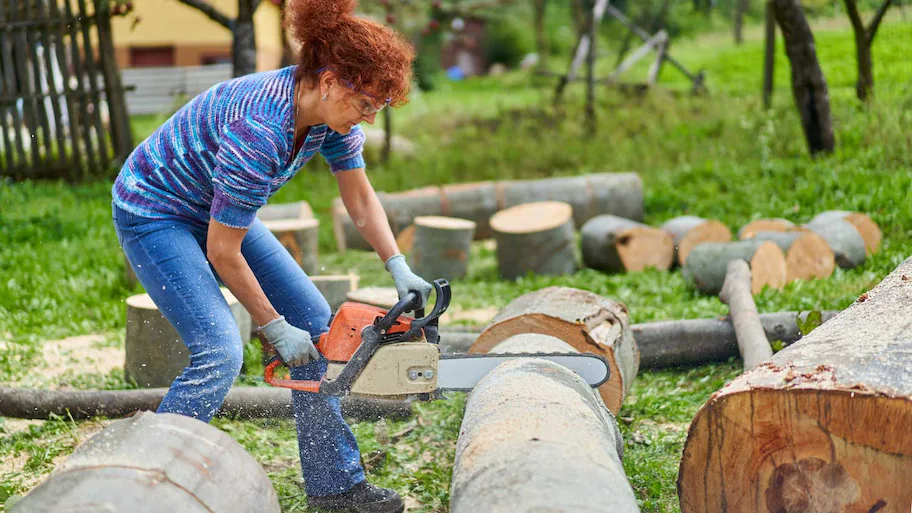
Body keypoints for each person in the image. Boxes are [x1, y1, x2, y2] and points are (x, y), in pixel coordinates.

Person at [110, 0, 431, 511]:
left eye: (379, 105)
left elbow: (359, 196)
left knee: (317, 324)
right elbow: (223, 250)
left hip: (212, 207)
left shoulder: (331, 119)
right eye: (366, 101)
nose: (370, 114)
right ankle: (140, 486)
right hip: (156, 210)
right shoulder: (260, 129)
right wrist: (272, 326)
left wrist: (397, 264)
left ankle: (336, 487)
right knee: (220, 352)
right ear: (329, 82)